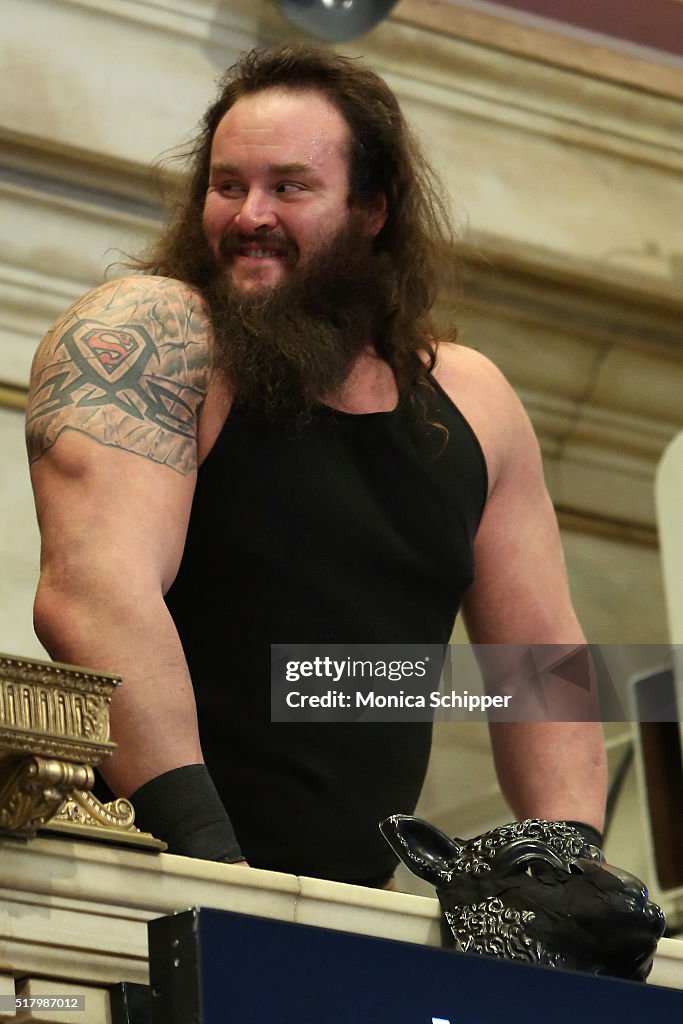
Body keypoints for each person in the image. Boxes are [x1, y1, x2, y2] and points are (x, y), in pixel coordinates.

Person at [25, 45, 606, 887]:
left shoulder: (471, 399)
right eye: (228, 186)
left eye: (288, 188)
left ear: (372, 208)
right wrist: (213, 868)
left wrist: (564, 876)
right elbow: (89, 596)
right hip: (131, 883)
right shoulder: (159, 333)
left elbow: (541, 660)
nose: (250, 213)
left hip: (340, 914)